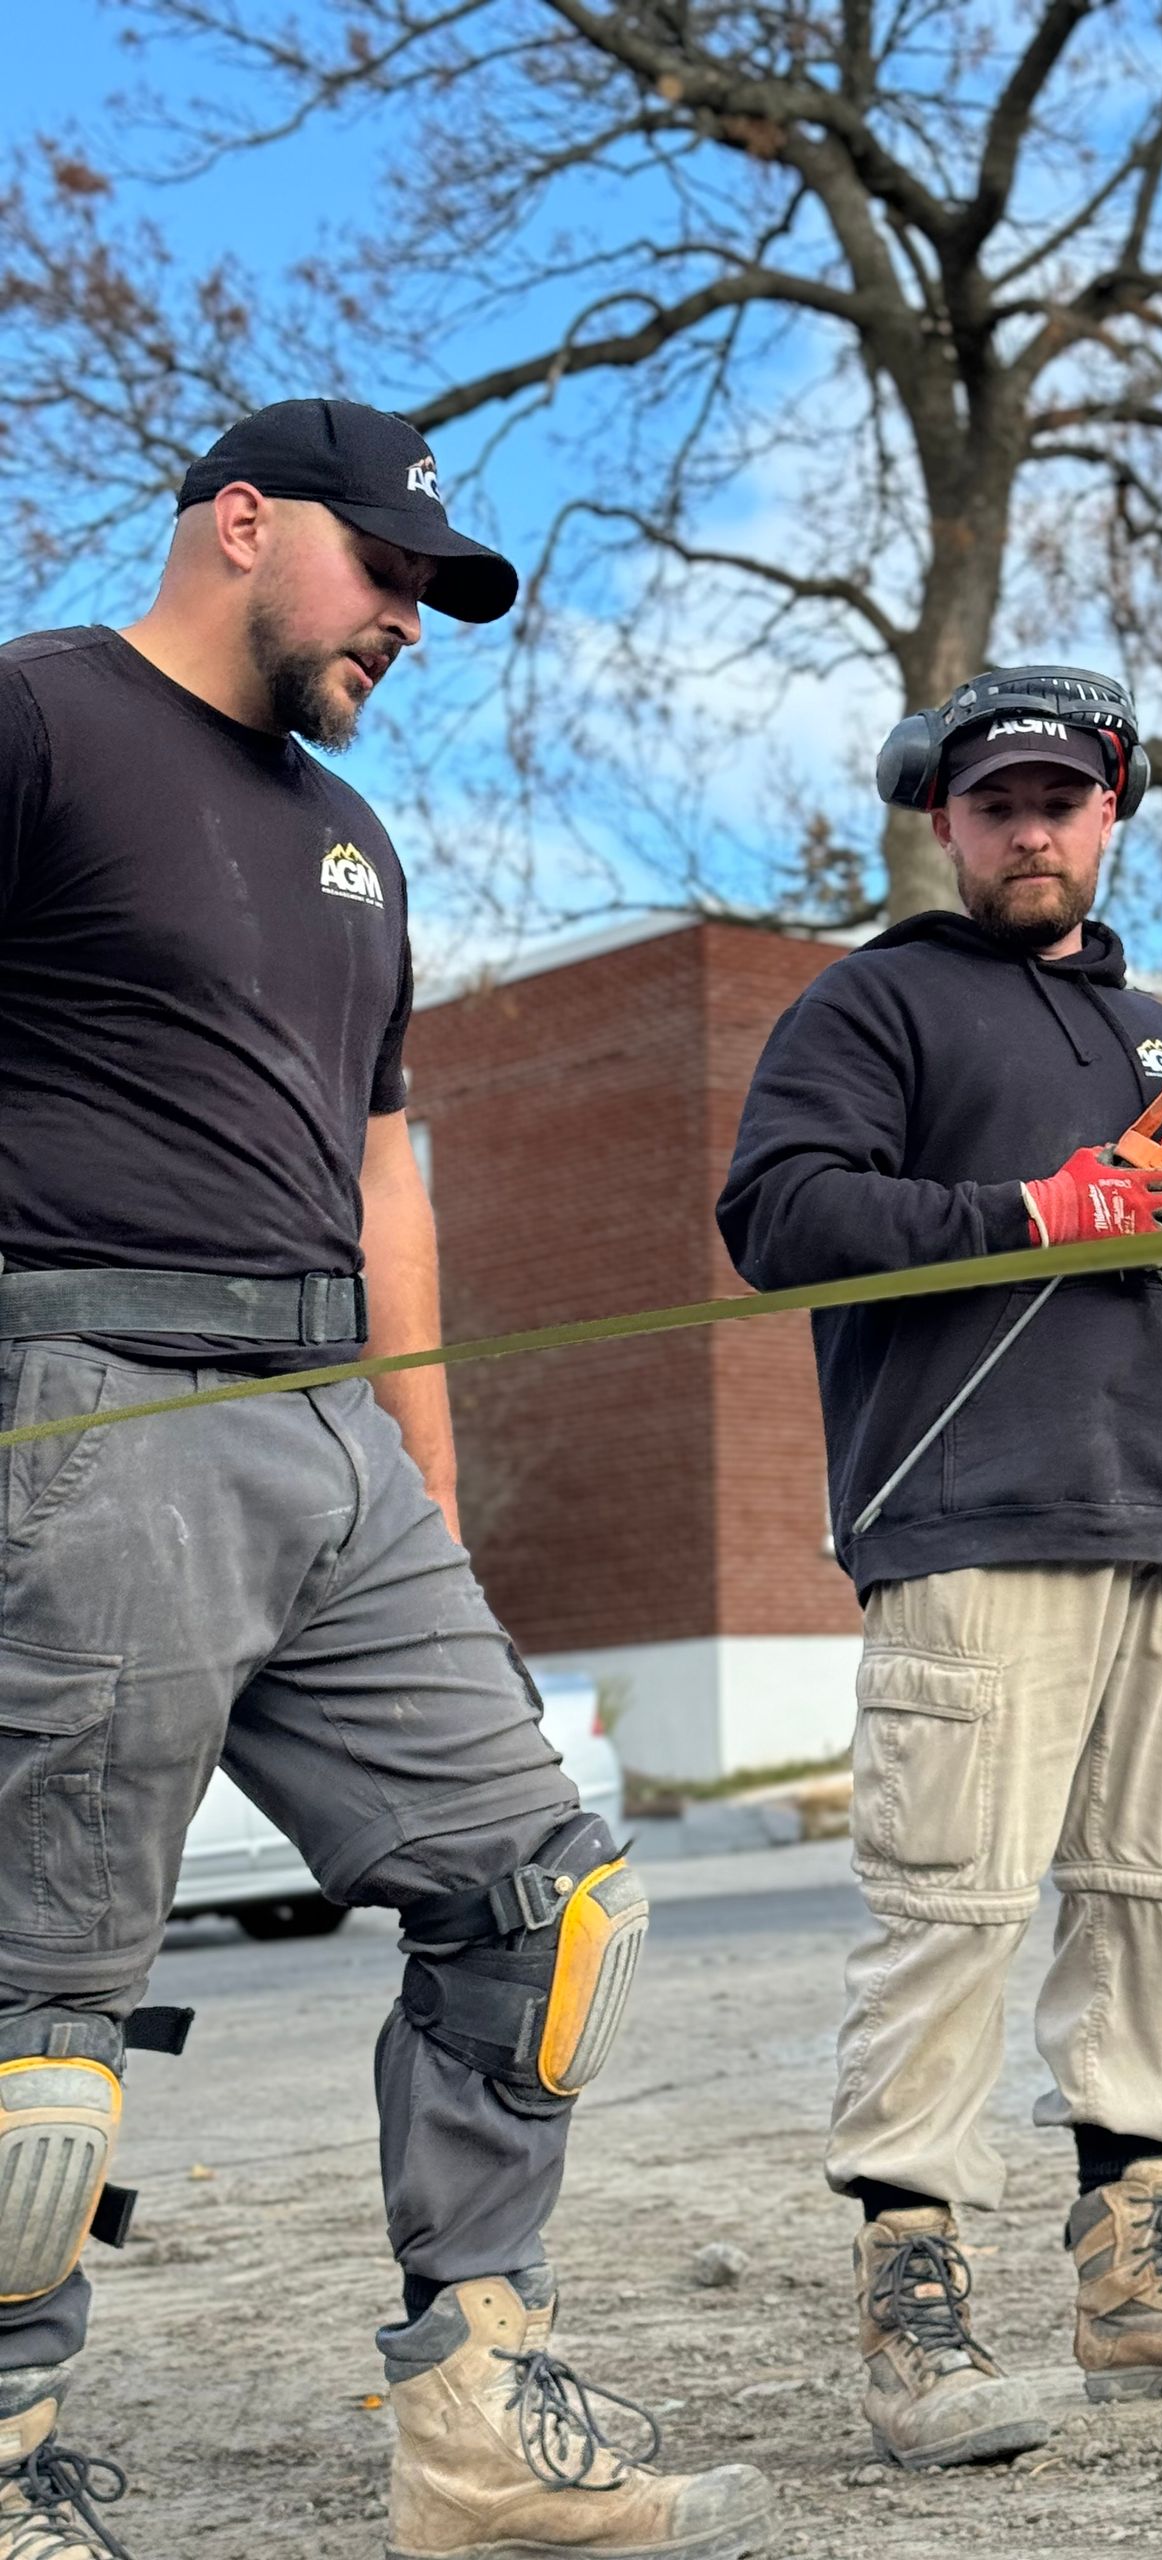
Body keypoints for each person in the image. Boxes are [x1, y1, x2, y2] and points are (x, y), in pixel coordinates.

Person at [0, 401, 772, 2560]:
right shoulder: (38, 716)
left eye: (437, 591)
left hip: (333, 1428)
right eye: (387, 570)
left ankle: (474, 2412)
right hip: (87, 1400)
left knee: (548, 1905)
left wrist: (426, 1494)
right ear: (242, 522)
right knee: (35, 2008)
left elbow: (380, 1172)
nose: (411, 619)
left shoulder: (357, 840)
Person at [717, 667, 1162, 2472]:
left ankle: (1136, 2273)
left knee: (1161, 1905)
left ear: (1113, 812)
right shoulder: (873, 1007)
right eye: (998, 803)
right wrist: (1035, 1211)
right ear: (946, 820)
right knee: (950, 1915)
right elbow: (780, 1219)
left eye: (1063, 800)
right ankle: (914, 2301)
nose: (1031, 829)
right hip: (970, 1524)